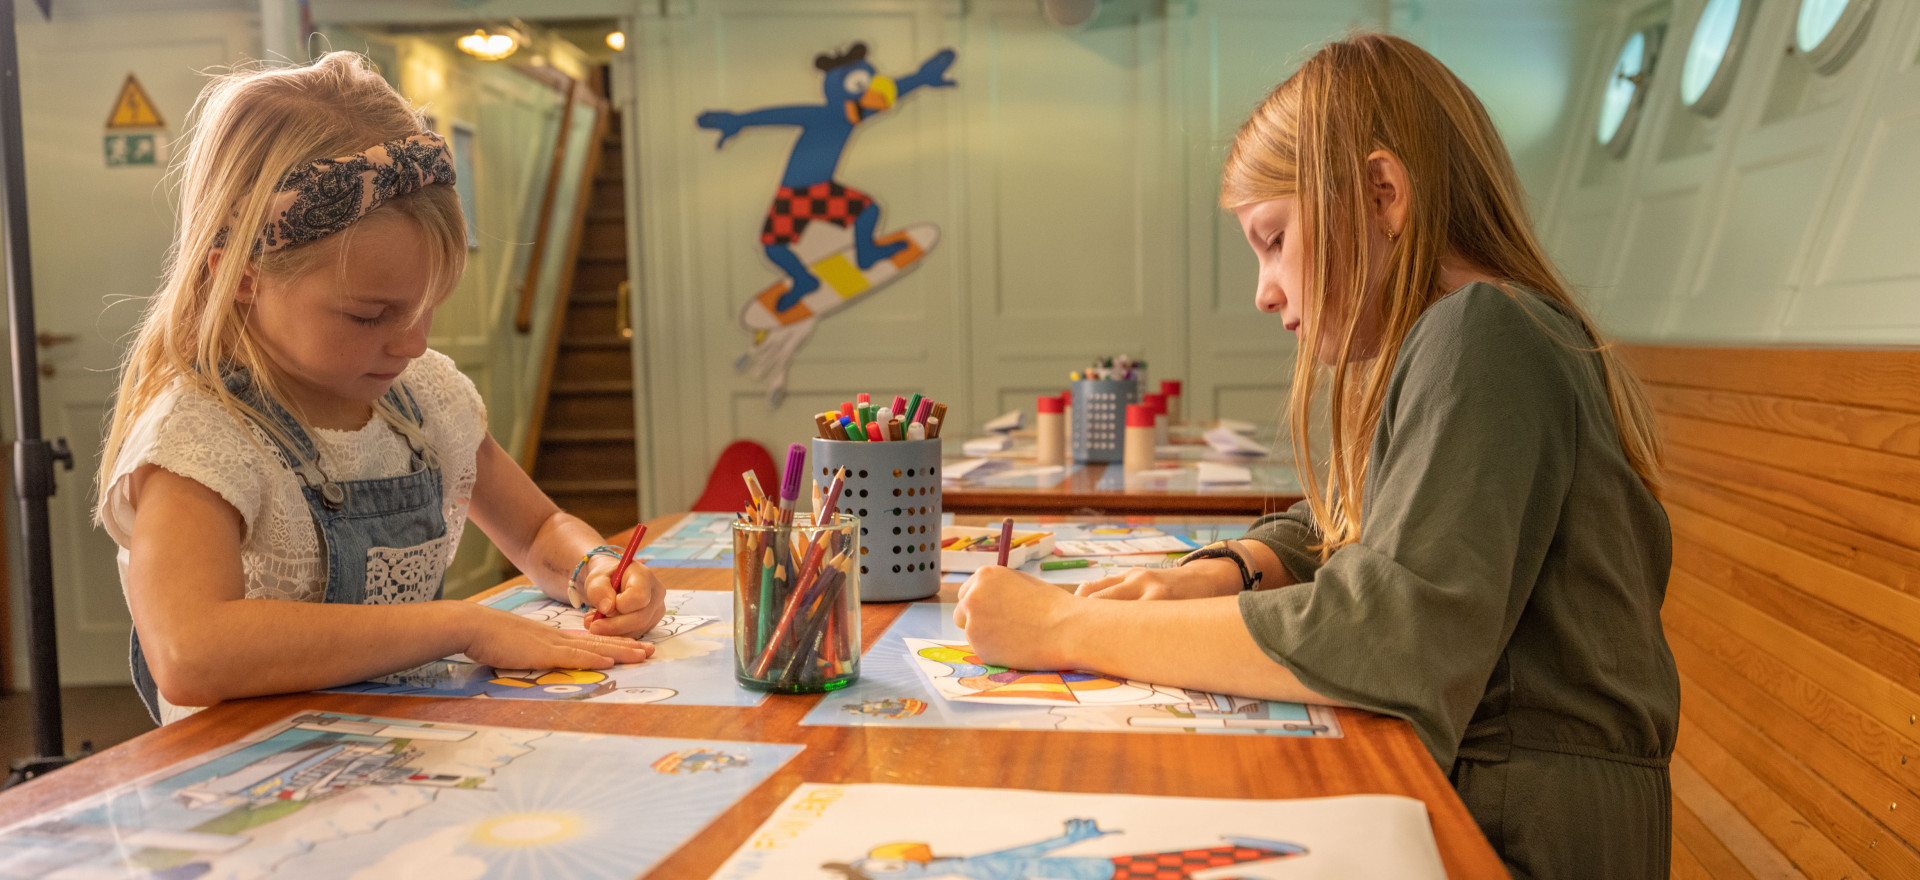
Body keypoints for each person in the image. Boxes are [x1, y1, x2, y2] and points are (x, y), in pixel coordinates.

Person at [954, 33, 1678, 880]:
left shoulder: (1484, 333)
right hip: (1504, 796)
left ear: (1382, 193)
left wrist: (1064, 627)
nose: (1265, 290)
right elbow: (1356, 516)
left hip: (1530, 829)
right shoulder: (1475, 330)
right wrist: (1230, 567)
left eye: (1272, 239)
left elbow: (1390, 635)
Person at [96, 52, 666, 725]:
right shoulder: (199, 438)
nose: (412, 342)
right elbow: (190, 652)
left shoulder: (423, 398)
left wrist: (595, 568)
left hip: (392, 749)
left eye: (428, 308)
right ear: (242, 275)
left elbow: (540, 529)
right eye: (370, 315)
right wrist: (459, 627)